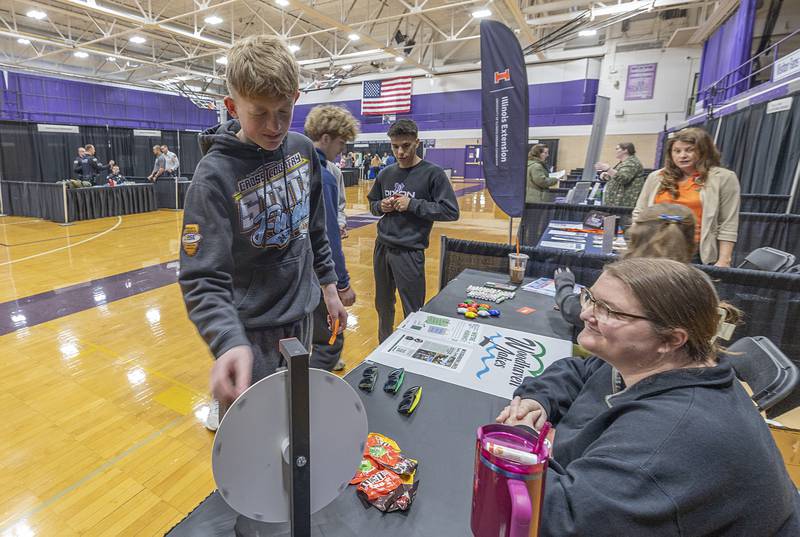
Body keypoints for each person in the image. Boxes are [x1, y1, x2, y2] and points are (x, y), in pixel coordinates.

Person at [497, 258, 800, 535]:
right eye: (590, 297)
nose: (586, 313)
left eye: (608, 310)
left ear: (671, 339)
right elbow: (580, 370)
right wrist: (537, 401)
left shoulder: (669, 438)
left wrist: (519, 438)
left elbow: (554, 520)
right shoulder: (667, 362)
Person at [178, 35, 346, 431]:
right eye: (259, 114)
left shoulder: (303, 151)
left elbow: (315, 229)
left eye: (284, 112)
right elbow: (202, 276)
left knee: (292, 423)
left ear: (296, 97)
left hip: (301, 316)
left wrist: (329, 287)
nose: (274, 127)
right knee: (252, 439)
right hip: (250, 332)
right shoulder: (212, 178)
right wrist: (227, 340)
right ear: (232, 107)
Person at [367, 119, 460, 342]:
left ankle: (413, 349)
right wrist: (382, 206)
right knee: (383, 305)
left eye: (406, 145)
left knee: (413, 309)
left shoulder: (433, 174)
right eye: (395, 146)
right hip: (382, 248)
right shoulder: (385, 173)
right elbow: (372, 205)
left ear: (417, 142)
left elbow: (450, 211)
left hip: (409, 251)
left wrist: (413, 205)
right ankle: (384, 347)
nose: (400, 151)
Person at [554, 203, 697, 329]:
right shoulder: (695, 284)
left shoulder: (624, 281)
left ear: (635, 237)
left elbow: (574, 311)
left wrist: (564, 284)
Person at [304, 104, 360, 372]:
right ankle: (311, 400)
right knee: (330, 341)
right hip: (316, 271)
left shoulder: (295, 165)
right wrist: (342, 283)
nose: (343, 151)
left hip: (297, 271)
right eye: (341, 143)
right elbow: (326, 236)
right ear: (325, 138)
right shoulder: (323, 175)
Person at [634, 128, 740, 266]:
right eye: (677, 151)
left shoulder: (723, 178)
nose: (682, 155)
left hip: (694, 252)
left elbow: (728, 223)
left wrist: (724, 260)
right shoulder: (656, 177)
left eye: (689, 150)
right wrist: (636, 245)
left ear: (703, 151)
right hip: (653, 248)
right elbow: (640, 212)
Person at [595, 142, 644, 207]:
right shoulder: (624, 163)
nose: (616, 151)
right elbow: (616, 177)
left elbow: (623, 179)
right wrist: (606, 175)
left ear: (625, 150)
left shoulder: (631, 162)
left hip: (623, 204)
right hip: (616, 203)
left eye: (617, 149)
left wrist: (608, 169)